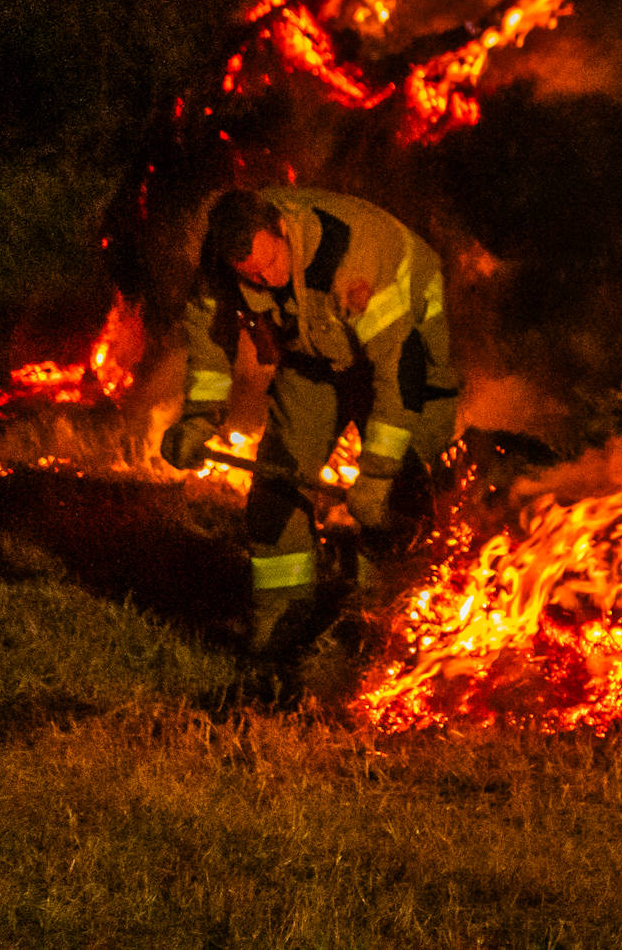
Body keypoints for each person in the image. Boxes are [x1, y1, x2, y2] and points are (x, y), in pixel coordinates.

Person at [158, 187, 459, 657]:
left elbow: (399, 369)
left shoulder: (349, 257)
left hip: (409, 334)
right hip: (314, 351)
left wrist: (378, 473)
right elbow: (210, 353)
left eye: (273, 264)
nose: (269, 281)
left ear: (281, 228)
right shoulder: (218, 272)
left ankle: (386, 623)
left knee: (406, 487)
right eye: (251, 278)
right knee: (277, 486)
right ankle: (282, 622)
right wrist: (198, 423)